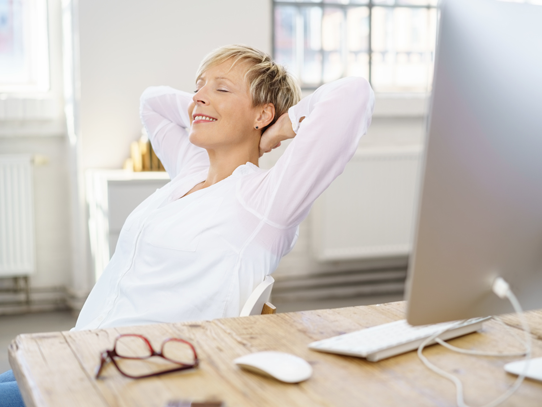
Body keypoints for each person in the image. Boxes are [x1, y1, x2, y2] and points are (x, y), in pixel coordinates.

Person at [0, 44, 374, 405]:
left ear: (262, 114)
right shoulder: (190, 170)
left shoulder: (265, 203)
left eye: (221, 87)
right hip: (75, 348)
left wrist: (279, 127)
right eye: (198, 86)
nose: (198, 96)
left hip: (122, 377)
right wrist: (215, 106)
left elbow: (354, 94)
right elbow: (152, 101)